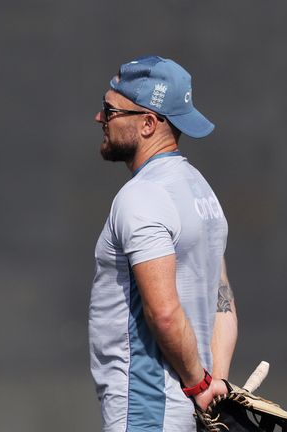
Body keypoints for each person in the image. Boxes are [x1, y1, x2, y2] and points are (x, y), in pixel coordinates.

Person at [89, 56, 238, 431]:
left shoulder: (142, 197)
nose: (99, 118)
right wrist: (213, 387)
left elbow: (165, 313)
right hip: (193, 412)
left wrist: (198, 384)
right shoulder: (202, 191)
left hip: (146, 411)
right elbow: (223, 300)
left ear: (148, 123)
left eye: (109, 110)